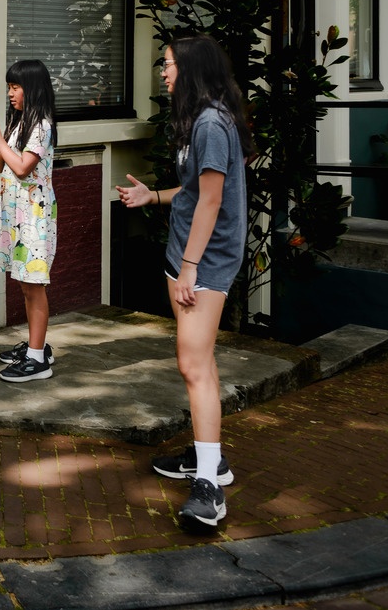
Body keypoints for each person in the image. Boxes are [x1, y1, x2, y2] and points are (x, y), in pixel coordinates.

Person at [116, 33, 253, 531]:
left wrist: (192, 266)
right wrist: (153, 197)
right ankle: (208, 457)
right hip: (188, 254)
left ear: (192, 69)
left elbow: (214, 202)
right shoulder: (201, 120)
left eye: (169, 64)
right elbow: (196, 190)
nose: (164, 72)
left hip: (206, 261)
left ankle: (210, 492)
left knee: (192, 364)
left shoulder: (212, 123)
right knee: (201, 362)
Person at [0, 60, 59, 383]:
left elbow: (22, 167)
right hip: (17, 219)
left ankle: (37, 359)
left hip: (33, 219)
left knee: (34, 288)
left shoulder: (42, 126)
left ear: (32, 89)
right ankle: (37, 346)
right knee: (25, 284)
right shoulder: (20, 124)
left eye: (15, 87)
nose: (10, 94)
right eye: (9, 87)